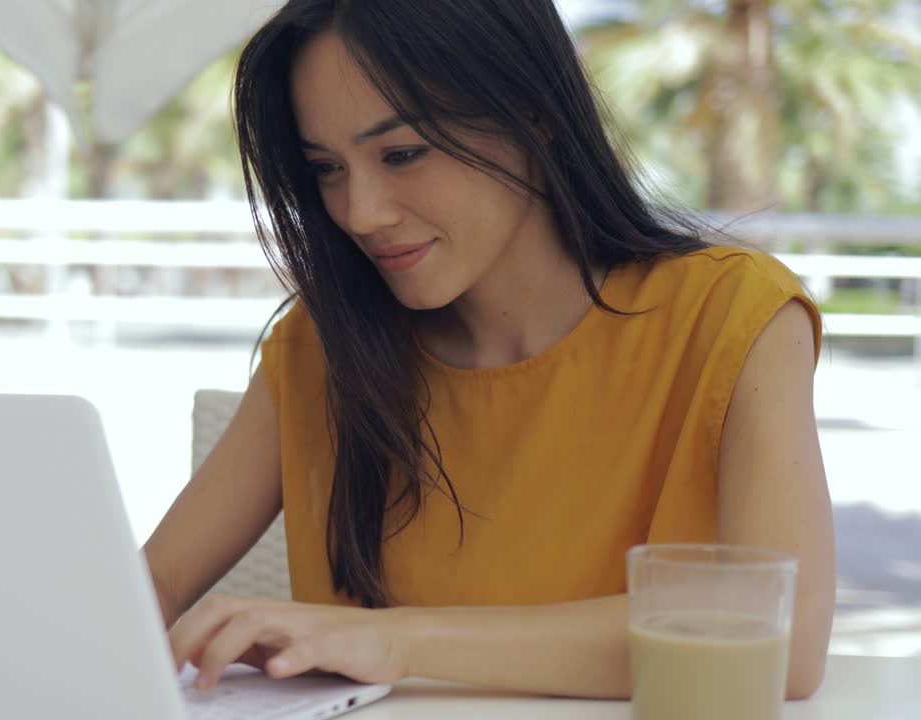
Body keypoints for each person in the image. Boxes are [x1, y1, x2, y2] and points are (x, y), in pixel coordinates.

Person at [143, 0, 835, 700]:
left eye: (402, 153)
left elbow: (785, 643)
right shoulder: (321, 347)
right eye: (327, 169)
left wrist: (398, 639)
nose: (360, 212)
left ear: (533, 115)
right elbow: (153, 584)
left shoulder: (731, 319)